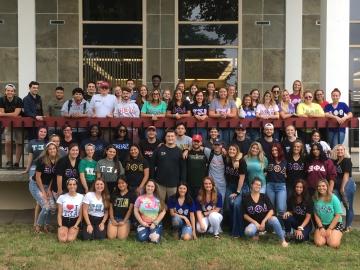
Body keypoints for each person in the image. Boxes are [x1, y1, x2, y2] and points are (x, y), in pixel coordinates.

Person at [242, 178, 288, 247]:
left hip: (266, 223)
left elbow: (271, 210)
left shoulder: (264, 196)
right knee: (248, 231)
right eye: (256, 184)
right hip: (254, 224)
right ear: (251, 185)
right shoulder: (246, 198)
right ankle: (255, 234)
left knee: (274, 219)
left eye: (259, 185)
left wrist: (264, 221)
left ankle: (283, 240)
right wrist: (255, 223)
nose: (258, 186)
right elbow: (244, 215)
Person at [29, 142, 59, 233]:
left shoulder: (58, 161)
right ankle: (37, 227)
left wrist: (49, 190)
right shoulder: (42, 160)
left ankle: (46, 226)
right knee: (46, 207)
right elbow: (38, 178)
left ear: (56, 150)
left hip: (46, 186)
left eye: (54, 148)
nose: (52, 150)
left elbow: (53, 177)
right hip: (36, 185)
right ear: (47, 151)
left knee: (52, 207)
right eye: (50, 149)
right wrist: (43, 192)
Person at [151, 129, 185, 202]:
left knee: (173, 206)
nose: (170, 138)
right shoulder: (158, 149)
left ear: (175, 137)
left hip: (174, 184)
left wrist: (182, 182)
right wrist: (152, 179)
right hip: (159, 183)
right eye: (168, 136)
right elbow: (152, 165)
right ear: (165, 138)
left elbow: (183, 168)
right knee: (159, 205)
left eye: (172, 136)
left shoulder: (179, 151)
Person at [331, 144, 356, 232]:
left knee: (348, 206)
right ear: (335, 151)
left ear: (345, 151)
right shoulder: (334, 161)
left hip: (347, 185)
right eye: (338, 150)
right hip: (337, 187)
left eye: (342, 150)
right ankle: (337, 225)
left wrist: (342, 189)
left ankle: (348, 227)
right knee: (334, 205)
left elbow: (346, 175)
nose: (340, 151)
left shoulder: (347, 160)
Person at [313, 179, 344, 248]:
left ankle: (335, 234)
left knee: (333, 244)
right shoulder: (315, 198)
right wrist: (321, 227)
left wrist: (330, 229)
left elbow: (338, 215)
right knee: (319, 243)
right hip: (322, 224)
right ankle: (327, 236)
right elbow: (316, 214)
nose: (321, 188)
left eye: (323, 186)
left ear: (327, 186)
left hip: (335, 224)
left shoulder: (334, 198)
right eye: (319, 186)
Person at [224, 144, 247, 237]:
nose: (232, 151)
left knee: (237, 205)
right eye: (230, 149)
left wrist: (238, 192)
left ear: (237, 151)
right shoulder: (227, 160)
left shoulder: (241, 162)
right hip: (230, 186)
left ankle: (238, 231)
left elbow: (242, 178)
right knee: (228, 206)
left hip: (241, 186)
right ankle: (231, 228)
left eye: (234, 150)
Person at [0, 83, 24, 168]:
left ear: (14, 92)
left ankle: (17, 162)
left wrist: (5, 114)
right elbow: (1, 113)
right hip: (7, 124)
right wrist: (13, 114)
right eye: (8, 90)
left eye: (12, 91)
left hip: (18, 123)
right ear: (5, 92)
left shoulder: (19, 100)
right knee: (7, 142)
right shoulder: (1, 100)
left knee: (19, 142)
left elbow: (16, 114)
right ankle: (9, 161)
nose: (10, 92)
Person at [266, 143, 287, 225]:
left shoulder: (285, 160)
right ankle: (271, 226)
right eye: (273, 150)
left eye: (276, 150)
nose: (274, 152)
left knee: (281, 208)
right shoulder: (268, 159)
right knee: (271, 208)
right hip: (270, 185)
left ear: (280, 150)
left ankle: (281, 226)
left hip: (281, 186)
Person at [57, 178, 84, 242]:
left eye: (74, 184)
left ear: (77, 186)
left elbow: (81, 216)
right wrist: (60, 225)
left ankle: (73, 230)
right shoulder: (62, 197)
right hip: (64, 220)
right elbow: (59, 214)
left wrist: (76, 225)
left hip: (75, 221)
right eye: (70, 184)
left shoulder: (81, 197)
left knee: (70, 239)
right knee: (62, 240)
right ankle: (64, 230)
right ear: (67, 186)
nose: (72, 186)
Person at [183, 134, 208, 199]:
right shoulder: (186, 152)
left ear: (201, 142)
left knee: (199, 202)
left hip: (201, 183)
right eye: (194, 141)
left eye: (198, 141)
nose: (196, 143)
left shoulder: (205, 153)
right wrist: (186, 150)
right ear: (192, 142)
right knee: (189, 202)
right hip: (189, 183)